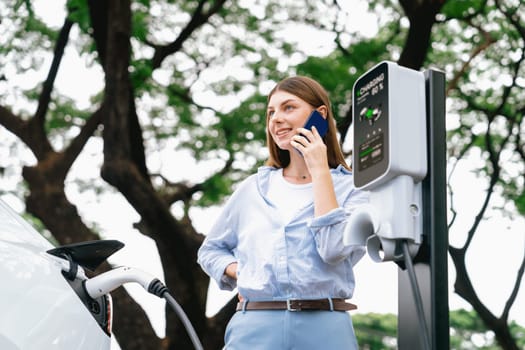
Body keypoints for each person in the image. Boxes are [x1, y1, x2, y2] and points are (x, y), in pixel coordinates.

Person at [197, 75, 369, 349]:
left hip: (325, 327)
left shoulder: (354, 189)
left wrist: (319, 169)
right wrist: (244, 271)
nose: (276, 118)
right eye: (271, 112)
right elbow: (210, 251)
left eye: (288, 107)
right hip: (253, 325)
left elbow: (333, 249)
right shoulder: (252, 188)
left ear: (319, 115)